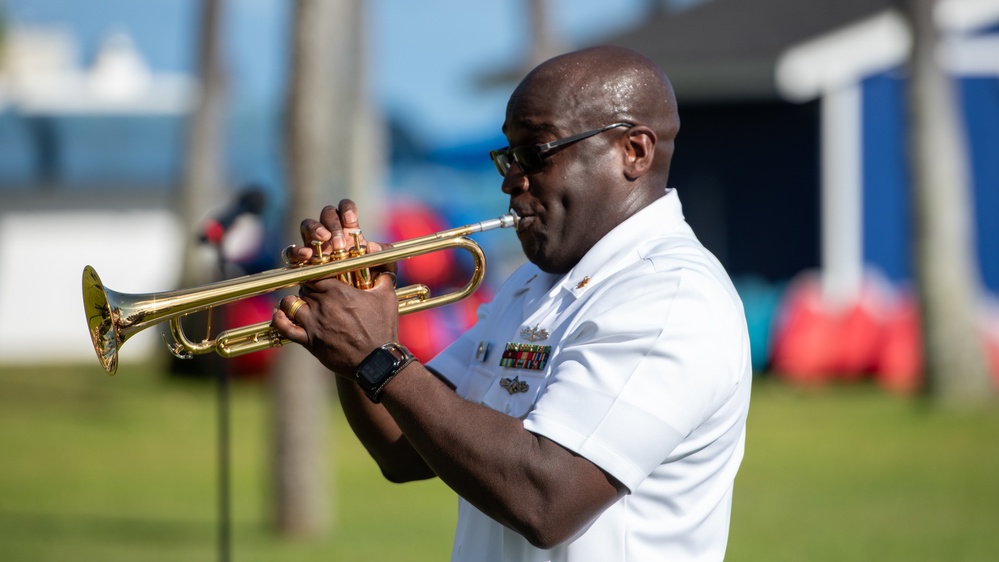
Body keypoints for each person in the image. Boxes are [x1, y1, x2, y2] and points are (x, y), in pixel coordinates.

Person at [272, 45, 752, 562]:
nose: (510, 179)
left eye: (536, 153)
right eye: (508, 154)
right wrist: (357, 345)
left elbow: (547, 502)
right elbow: (402, 449)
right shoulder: (532, 286)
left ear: (633, 151)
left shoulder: (670, 298)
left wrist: (377, 358)